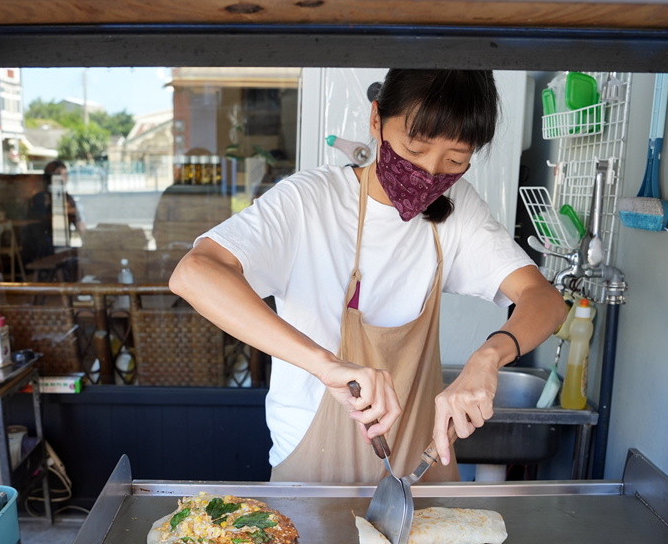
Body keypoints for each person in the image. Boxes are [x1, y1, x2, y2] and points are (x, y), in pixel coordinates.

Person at [170, 70, 567, 482]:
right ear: (376, 119)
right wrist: (326, 366)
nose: (430, 174)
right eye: (415, 148)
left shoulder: (457, 209)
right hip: (312, 461)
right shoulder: (310, 202)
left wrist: (489, 358)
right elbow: (195, 273)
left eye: (455, 160)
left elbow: (545, 300)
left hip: (418, 464)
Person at [23, 160, 87, 266]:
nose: (63, 179)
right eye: (58, 175)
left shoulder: (67, 199)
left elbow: (79, 225)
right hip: (40, 250)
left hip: (60, 248)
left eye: (65, 175)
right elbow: (37, 223)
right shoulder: (40, 198)